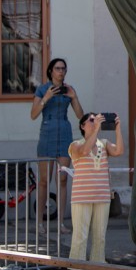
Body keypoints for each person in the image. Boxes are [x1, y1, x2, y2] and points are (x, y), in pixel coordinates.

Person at [30, 57, 83, 233]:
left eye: (63, 69)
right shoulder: (42, 89)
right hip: (47, 133)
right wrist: (46, 98)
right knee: (44, 181)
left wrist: (74, 97)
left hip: (65, 133)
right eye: (58, 68)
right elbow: (33, 114)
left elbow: (80, 116)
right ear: (51, 71)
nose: (61, 71)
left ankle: (61, 223)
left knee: (63, 179)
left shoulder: (69, 89)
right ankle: (40, 223)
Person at [69, 113, 124, 262]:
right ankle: (76, 267)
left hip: (102, 196)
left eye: (96, 120)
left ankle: (98, 265)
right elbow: (84, 151)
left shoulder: (104, 143)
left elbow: (119, 151)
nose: (95, 122)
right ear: (82, 126)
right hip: (81, 197)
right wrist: (95, 131)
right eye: (91, 120)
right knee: (80, 236)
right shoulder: (75, 145)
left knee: (100, 237)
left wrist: (118, 129)